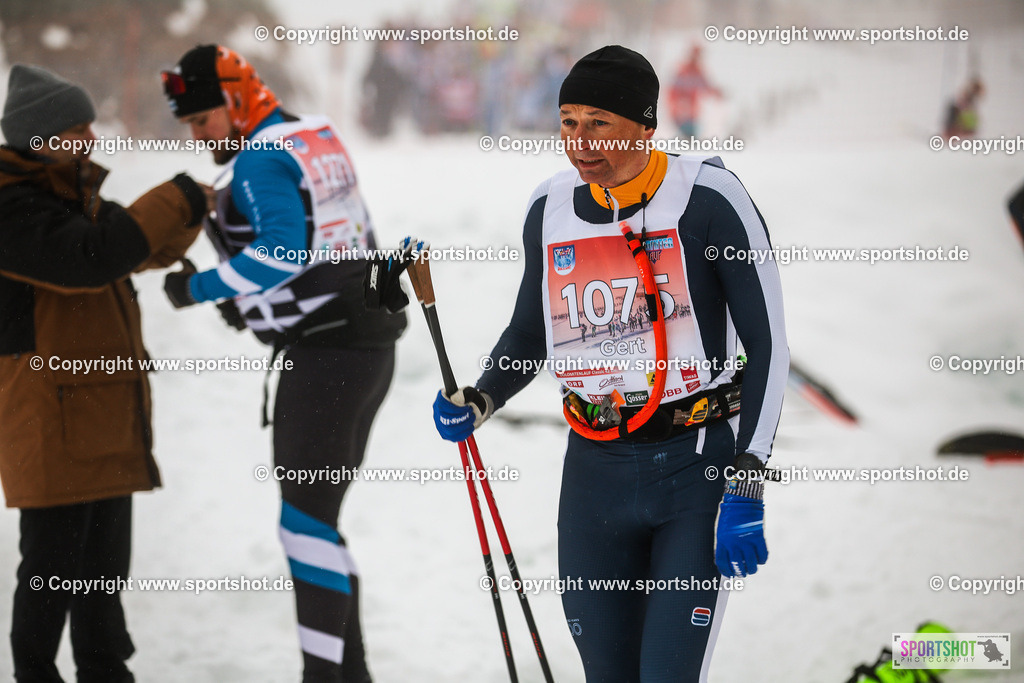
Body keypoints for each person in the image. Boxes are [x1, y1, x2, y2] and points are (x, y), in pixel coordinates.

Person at [433, 45, 788, 681]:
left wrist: (748, 478)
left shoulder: (708, 198)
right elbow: (530, 330)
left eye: (599, 123)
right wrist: (482, 397)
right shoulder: (551, 208)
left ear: (645, 126)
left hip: (695, 465)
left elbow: (767, 343)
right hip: (594, 469)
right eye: (568, 122)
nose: (579, 142)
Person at [159, 44, 406, 683]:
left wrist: (201, 289)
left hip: (327, 357)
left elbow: (282, 254)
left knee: (303, 527)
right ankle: (351, 676)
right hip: (367, 344)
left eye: (202, 119)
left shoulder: (258, 159)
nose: (197, 134)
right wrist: (257, 308)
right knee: (317, 523)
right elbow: (345, 238)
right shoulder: (311, 135)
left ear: (236, 103)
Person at [0, 64, 206, 682]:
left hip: (102, 412)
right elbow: (91, 258)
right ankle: (34, 673)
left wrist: (197, 210)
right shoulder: (9, 206)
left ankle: (105, 670)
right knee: (51, 568)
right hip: (49, 416)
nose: (89, 139)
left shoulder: (71, 193)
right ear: (40, 138)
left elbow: (138, 245)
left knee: (102, 572)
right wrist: (176, 197)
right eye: (76, 128)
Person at [667, 45, 723, 138]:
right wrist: (679, 103)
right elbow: (674, 90)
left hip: (692, 113)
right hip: (680, 111)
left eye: (699, 55)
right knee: (685, 135)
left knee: (690, 136)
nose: (697, 58)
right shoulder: (683, 70)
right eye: (695, 55)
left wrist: (716, 93)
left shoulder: (698, 71)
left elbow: (706, 86)